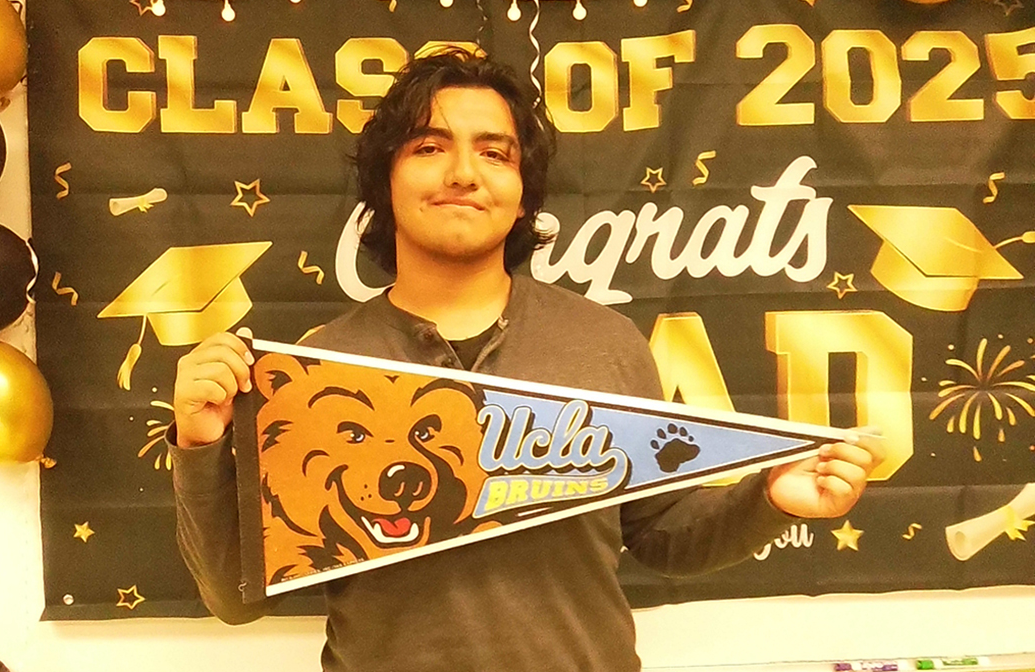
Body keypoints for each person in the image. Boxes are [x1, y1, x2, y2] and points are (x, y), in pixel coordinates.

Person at [168, 49, 885, 672]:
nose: (461, 172)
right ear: (386, 182)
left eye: (494, 151)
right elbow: (234, 597)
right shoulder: (318, 368)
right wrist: (201, 444)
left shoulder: (605, 344)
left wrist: (768, 499)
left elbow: (663, 539)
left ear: (522, 197)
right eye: (426, 147)